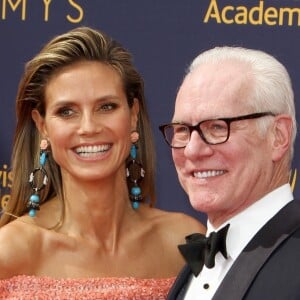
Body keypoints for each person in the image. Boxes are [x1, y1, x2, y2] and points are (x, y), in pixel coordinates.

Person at [0, 26, 205, 299]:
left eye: (106, 107)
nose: (88, 127)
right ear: (43, 127)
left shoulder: (183, 241)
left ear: (133, 115)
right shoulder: (11, 251)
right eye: (66, 111)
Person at [159, 46, 300, 300]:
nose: (192, 150)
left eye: (216, 127)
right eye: (182, 130)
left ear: (278, 137)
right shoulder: (191, 267)